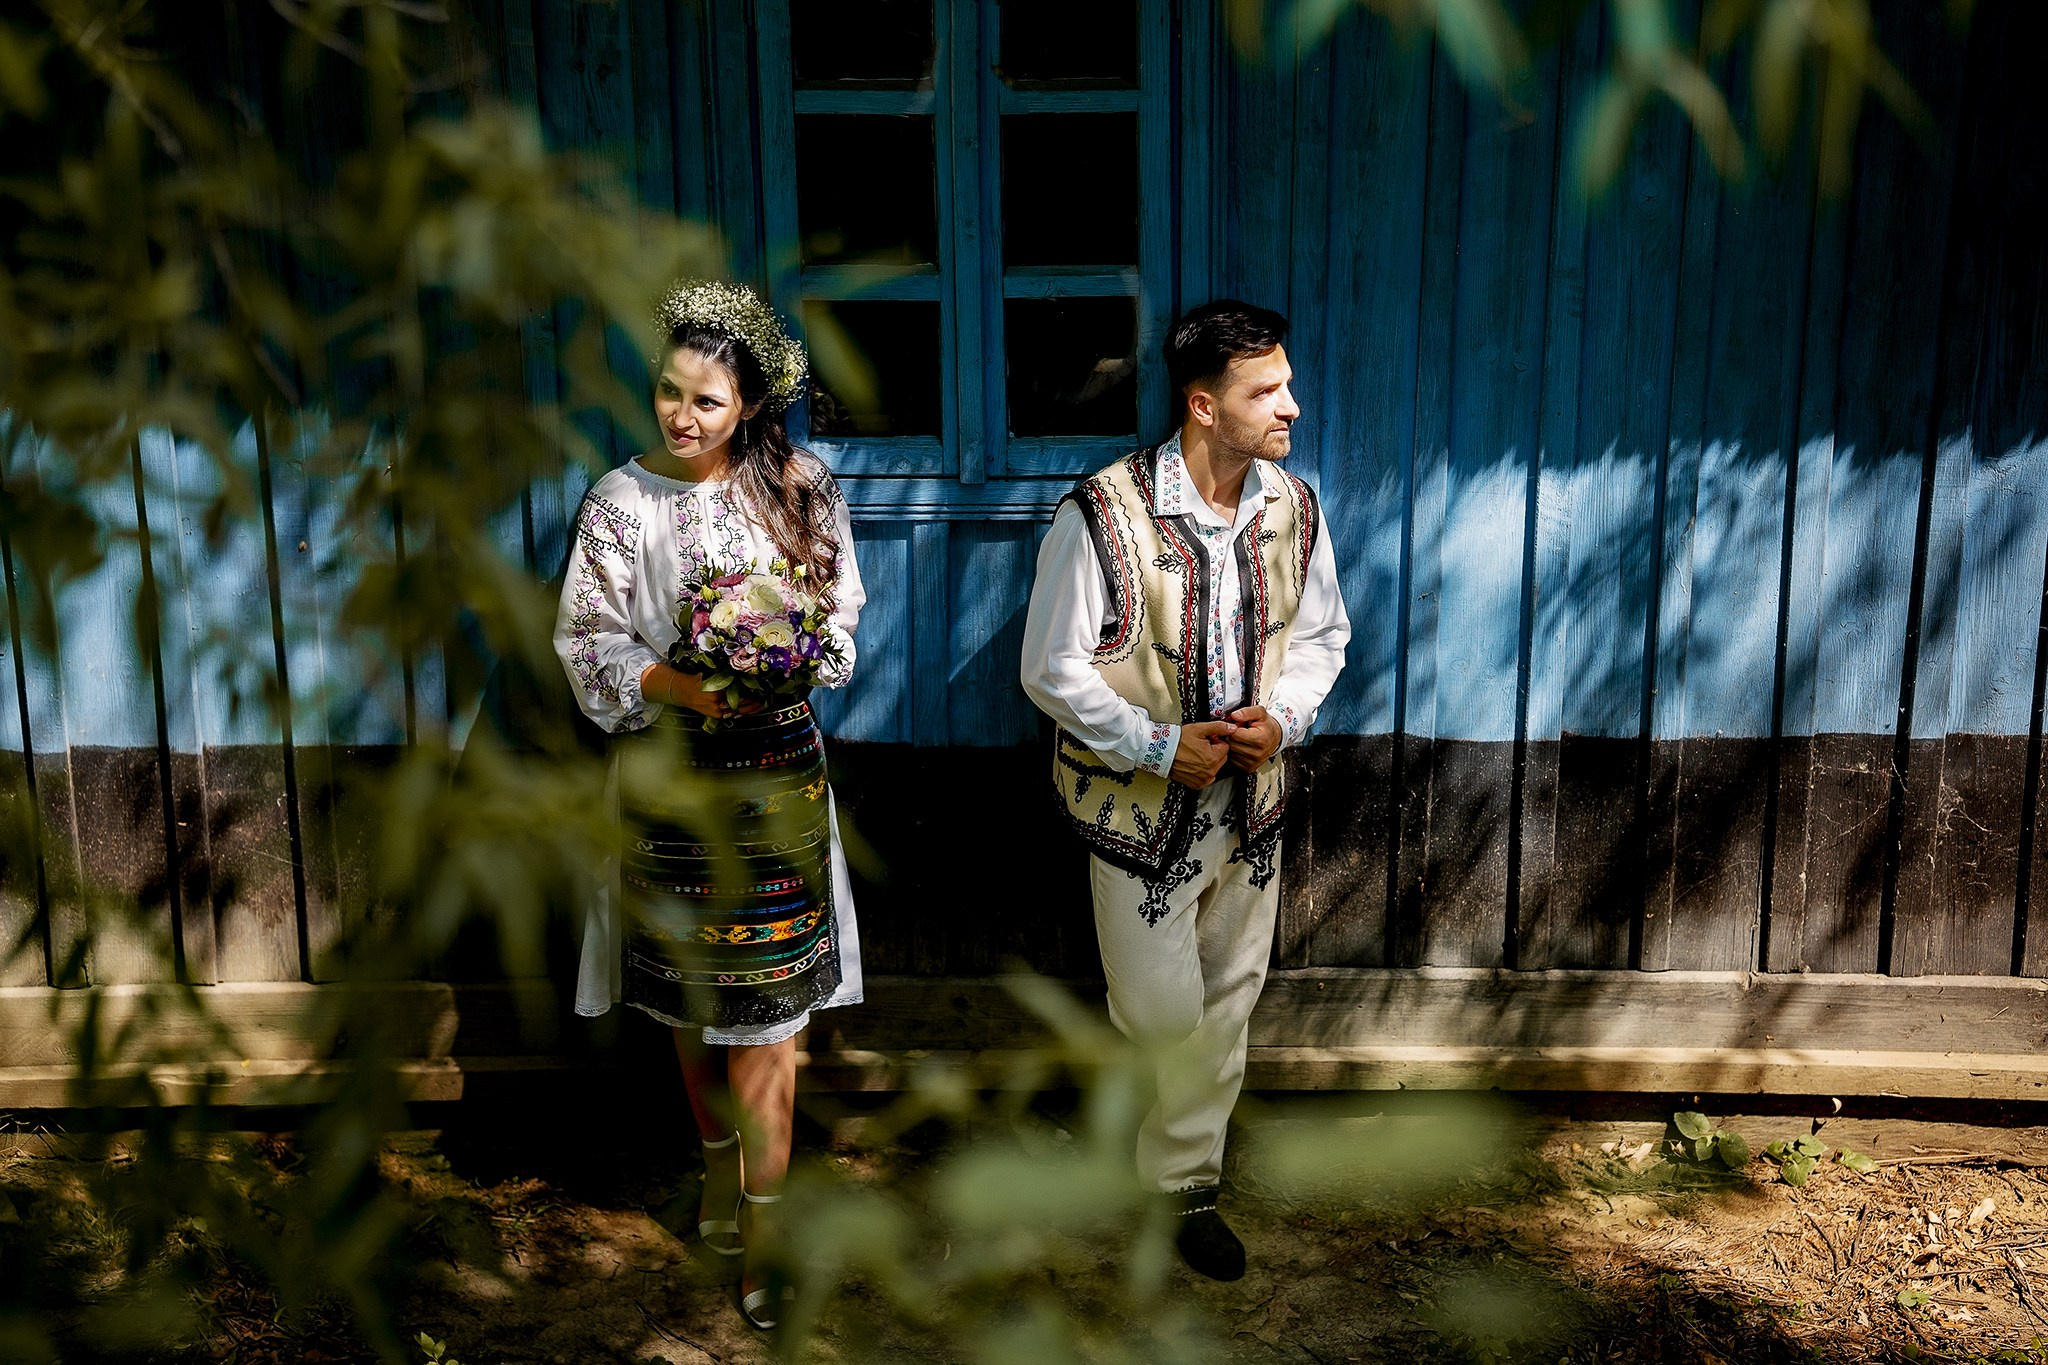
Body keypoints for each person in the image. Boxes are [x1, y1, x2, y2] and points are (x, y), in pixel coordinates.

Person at [553, 280, 863, 1330]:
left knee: (770, 1020)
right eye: (666, 393)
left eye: (707, 403)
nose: (679, 418)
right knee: (693, 1008)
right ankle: (719, 1175)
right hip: (668, 788)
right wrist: (681, 683)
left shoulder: (803, 488)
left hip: (775, 783)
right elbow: (589, 639)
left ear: (753, 410)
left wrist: (792, 652)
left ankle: (766, 1227)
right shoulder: (618, 504)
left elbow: (841, 620)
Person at [1019, 300, 1350, 1280]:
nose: (1290, 405)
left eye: (1285, 383)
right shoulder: (1102, 512)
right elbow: (1052, 667)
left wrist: (1279, 720)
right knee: (1160, 1012)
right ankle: (1120, 1134)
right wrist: (1158, 745)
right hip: (1135, 811)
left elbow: (1322, 637)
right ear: (1204, 406)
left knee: (1227, 1004)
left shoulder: (1293, 506)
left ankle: (1180, 1188)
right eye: (1266, 390)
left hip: (1250, 807)